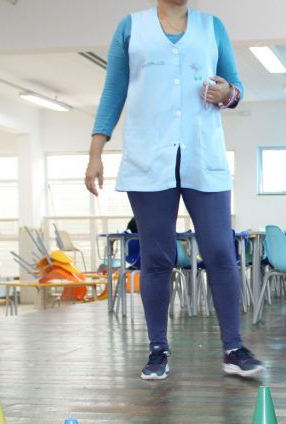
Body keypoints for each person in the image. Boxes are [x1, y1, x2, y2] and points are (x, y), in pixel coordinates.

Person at [85, 0, 263, 381]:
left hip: (202, 154)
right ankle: (157, 349)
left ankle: (234, 348)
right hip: (149, 158)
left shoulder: (212, 27)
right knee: (157, 258)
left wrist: (227, 93)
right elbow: (113, 92)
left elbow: (237, 88)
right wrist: (95, 153)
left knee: (220, 251)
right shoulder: (131, 28)